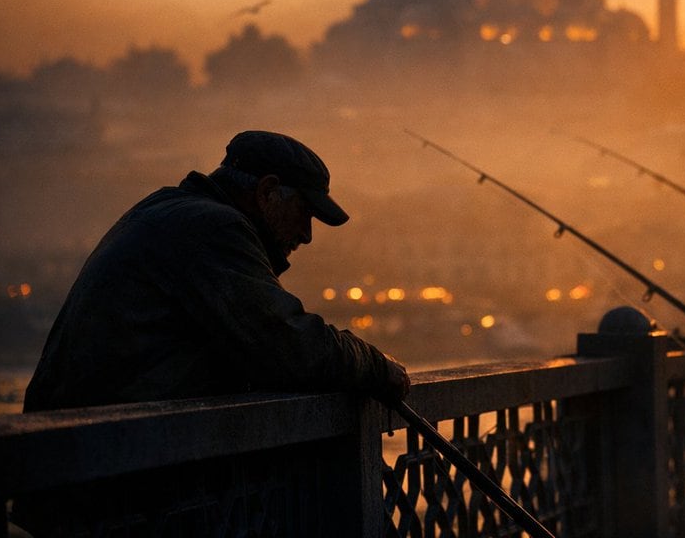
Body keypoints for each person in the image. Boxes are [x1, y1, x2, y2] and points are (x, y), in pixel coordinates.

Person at [23, 130, 410, 412]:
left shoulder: (169, 209)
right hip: (108, 462)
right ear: (266, 192)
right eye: (304, 214)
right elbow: (287, 345)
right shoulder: (212, 229)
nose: (307, 235)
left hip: (81, 448)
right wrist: (375, 366)